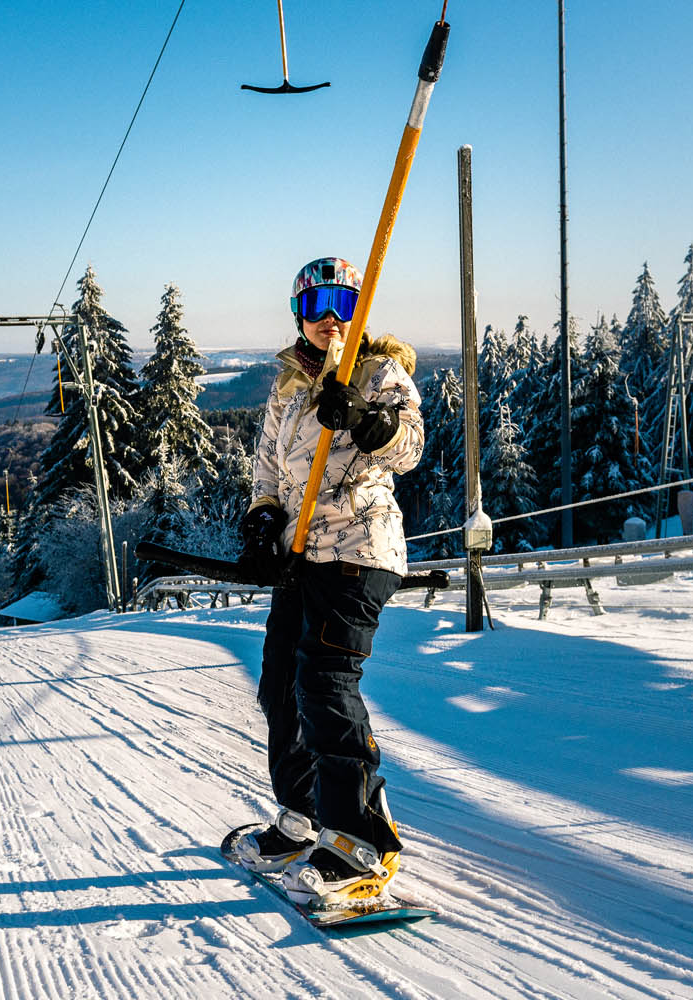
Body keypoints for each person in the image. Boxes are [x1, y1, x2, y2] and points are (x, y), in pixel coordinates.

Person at [233, 256, 424, 907]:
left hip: (359, 551)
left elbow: (409, 443)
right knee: (280, 684)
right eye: (317, 307)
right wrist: (263, 524)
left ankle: (359, 838)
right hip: (302, 558)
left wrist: (370, 422)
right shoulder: (288, 389)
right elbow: (267, 473)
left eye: (344, 302)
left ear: (361, 306)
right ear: (300, 316)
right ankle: (304, 816)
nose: (331, 319)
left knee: (324, 681)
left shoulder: (376, 370)